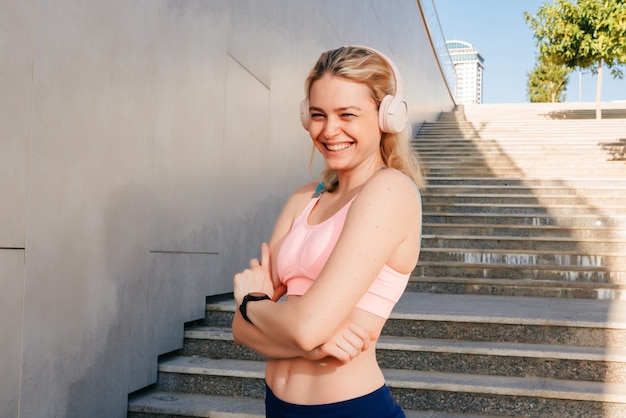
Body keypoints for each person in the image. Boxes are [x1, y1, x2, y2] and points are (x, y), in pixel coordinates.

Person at [232, 45, 424, 418]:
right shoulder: (304, 198)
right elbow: (241, 330)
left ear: (387, 117)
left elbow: (297, 325)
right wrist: (312, 344)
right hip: (278, 406)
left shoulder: (390, 191)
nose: (328, 130)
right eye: (318, 114)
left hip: (349, 409)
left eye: (347, 114)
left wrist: (252, 301)